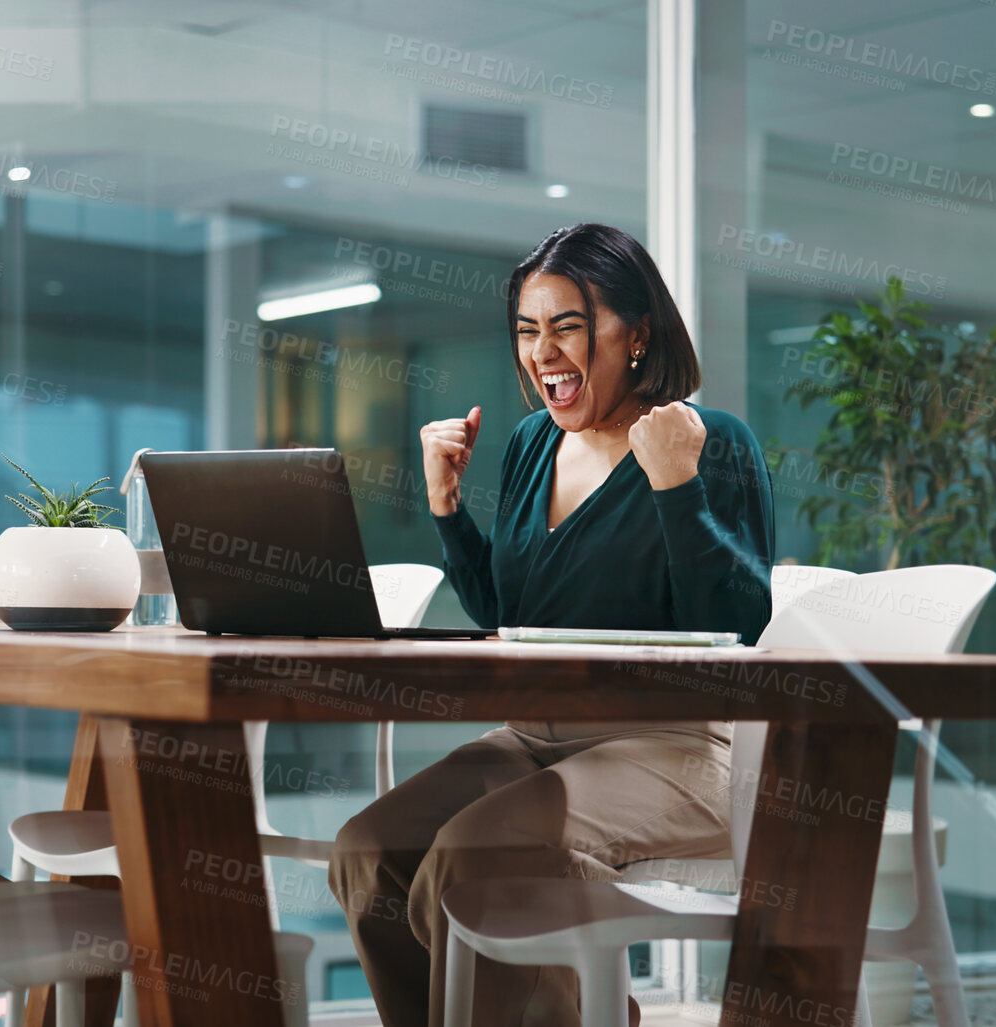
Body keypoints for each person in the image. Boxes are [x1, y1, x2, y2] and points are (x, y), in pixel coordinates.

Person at [328, 223, 775, 1027]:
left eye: (567, 325)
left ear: (636, 334)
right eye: (528, 331)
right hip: (534, 733)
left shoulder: (707, 442)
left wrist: (676, 487)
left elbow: (737, 631)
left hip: (680, 743)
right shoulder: (535, 443)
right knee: (369, 852)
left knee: (477, 852)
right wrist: (447, 509)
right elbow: (508, 617)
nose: (543, 353)